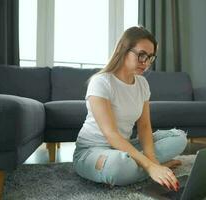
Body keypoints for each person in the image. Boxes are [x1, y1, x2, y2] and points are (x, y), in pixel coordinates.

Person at [73, 26, 187, 191]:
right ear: (122, 49)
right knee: (118, 167)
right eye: (141, 55)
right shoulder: (101, 82)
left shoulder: (142, 84)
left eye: (150, 57)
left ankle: (146, 166)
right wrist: (151, 166)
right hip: (91, 151)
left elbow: (145, 127)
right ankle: (151, 168)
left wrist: (151, 160)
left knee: (179, 138)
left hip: (124, 146)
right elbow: (111, 134)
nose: (146, 63)